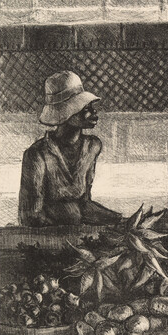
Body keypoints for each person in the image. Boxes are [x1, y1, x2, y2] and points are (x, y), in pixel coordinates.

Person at [18, 71, 121, 227]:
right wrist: (70, 217)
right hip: (47, 236)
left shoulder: (92, 147)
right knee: (71, 212)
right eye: (85, 108)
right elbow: (31, 215)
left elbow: (85, 204)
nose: (94, 113)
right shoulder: (37, 154)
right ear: (66, 113)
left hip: (77, 230)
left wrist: (119, 219)